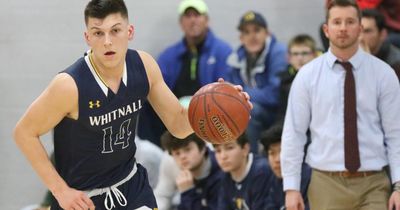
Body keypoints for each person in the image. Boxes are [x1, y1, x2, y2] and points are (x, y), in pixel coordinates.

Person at [13, 0, 199, 209]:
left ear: (129, 31)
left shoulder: (144, 66)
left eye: (115, 30)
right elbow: (24, 133)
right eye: (98, 33)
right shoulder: (69, 85)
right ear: (88, 38)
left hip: (131, 188)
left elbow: (179, 126)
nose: (107, 41)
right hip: (83, 199)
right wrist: (60, 191)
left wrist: (214, 113)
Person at [281, 0, 400, 210]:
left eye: (350, 21)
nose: (343, 28)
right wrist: (291, 187)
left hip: (373, 182)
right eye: (337, 22)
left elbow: (396, 133)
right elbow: (294, 133)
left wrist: (398, 186)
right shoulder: (307, 75)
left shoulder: (383, 74)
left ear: (360, 28)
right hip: (325, 182)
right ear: (326, 29)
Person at [137, 0, 232, 146]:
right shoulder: (169, 54)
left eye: (197, 15)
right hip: (177, 109)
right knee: (146, 106)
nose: (192, 20)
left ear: (207, 20)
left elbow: (226, 89)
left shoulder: (223, 51)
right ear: (181, 23)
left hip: (208, 109)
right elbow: (156, 86)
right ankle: (155, 154)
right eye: (188, 16)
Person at [226, 11, 287, 153]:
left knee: (250, 112)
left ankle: (252, 160)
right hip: (251, 108)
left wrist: (241, 93)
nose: (252, 36)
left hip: (277, 113)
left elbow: (274, 95)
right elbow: (229, 90)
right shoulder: (235, 59)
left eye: (257, 30)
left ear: (267, 33)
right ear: (241, 38)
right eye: (247, 32)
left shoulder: (278, 52)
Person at [156, 131, 222, 210]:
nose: (182, 157)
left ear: (203, 148)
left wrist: (187, 192)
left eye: (187, 150)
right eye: (177, 153)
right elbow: (162, 195)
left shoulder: (222, 166)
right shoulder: (169, 161)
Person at [214, 134, 273, 210]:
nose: (223, 156)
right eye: (218, 151)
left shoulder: (262, 171)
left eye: (229, 148)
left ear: (245, 149)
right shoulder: (224, 175)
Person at [260, 124, 311, 210]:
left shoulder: (309, 178)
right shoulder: (273, 179)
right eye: (272, 153)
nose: (277, 159)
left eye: (282, 151)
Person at [276, 34, 318, 122]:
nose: (300, 58)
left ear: (315, 55)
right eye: (295, 54)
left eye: (305, 53)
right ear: (289, 58)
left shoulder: (321, 78)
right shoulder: (284, 80)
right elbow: (283, 113)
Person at [360, 8, 400, 80]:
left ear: (382, 34)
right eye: (359, 31)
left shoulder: (396, 64)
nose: (361, 37)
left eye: (367, 31)